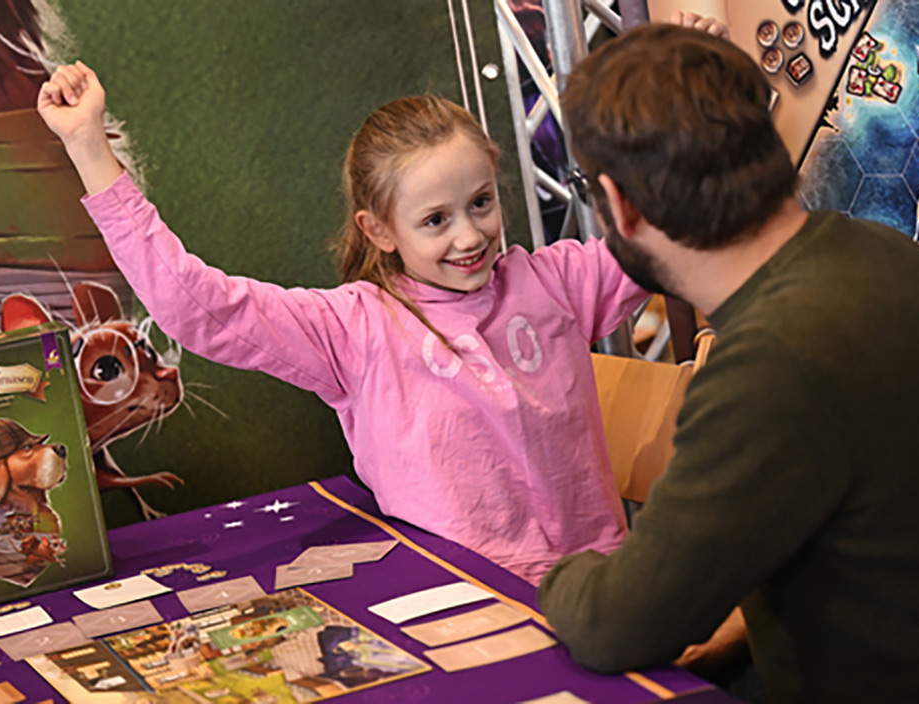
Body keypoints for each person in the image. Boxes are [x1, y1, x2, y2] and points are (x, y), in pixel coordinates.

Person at [537, 23, 919, 703]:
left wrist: (550, 577)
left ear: (622, 206)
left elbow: (615, 626)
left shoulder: (773, 357)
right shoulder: (880, 255)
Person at [35, 63, 649, 586]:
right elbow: (195, 306)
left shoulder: (559, 282)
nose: (470, 236)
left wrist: (711, 106)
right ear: (378, 230)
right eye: (435, 220)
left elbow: (676, 223)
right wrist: (88, 144)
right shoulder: (354, 327)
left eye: (481, 203)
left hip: (605, 594)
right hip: (460, 603)